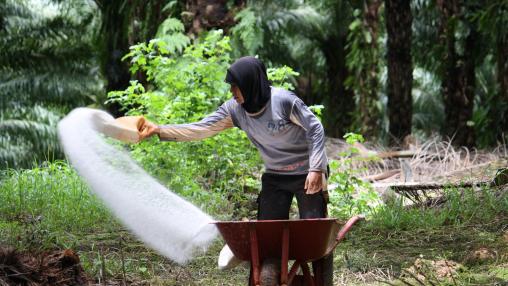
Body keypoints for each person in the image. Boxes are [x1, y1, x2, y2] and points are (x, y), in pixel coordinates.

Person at [139, 56, 332, 285]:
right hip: (275, 176)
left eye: (235, 85)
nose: (231, 91)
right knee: (267, 239)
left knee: (312, 233)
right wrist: (159, 130)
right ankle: (269, 272)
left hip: (307, 173)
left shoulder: (283, 101)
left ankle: (319, 272)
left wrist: (316, 168)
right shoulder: (236, 110)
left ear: (251, 84)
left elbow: (315, 128)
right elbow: (201, 128)